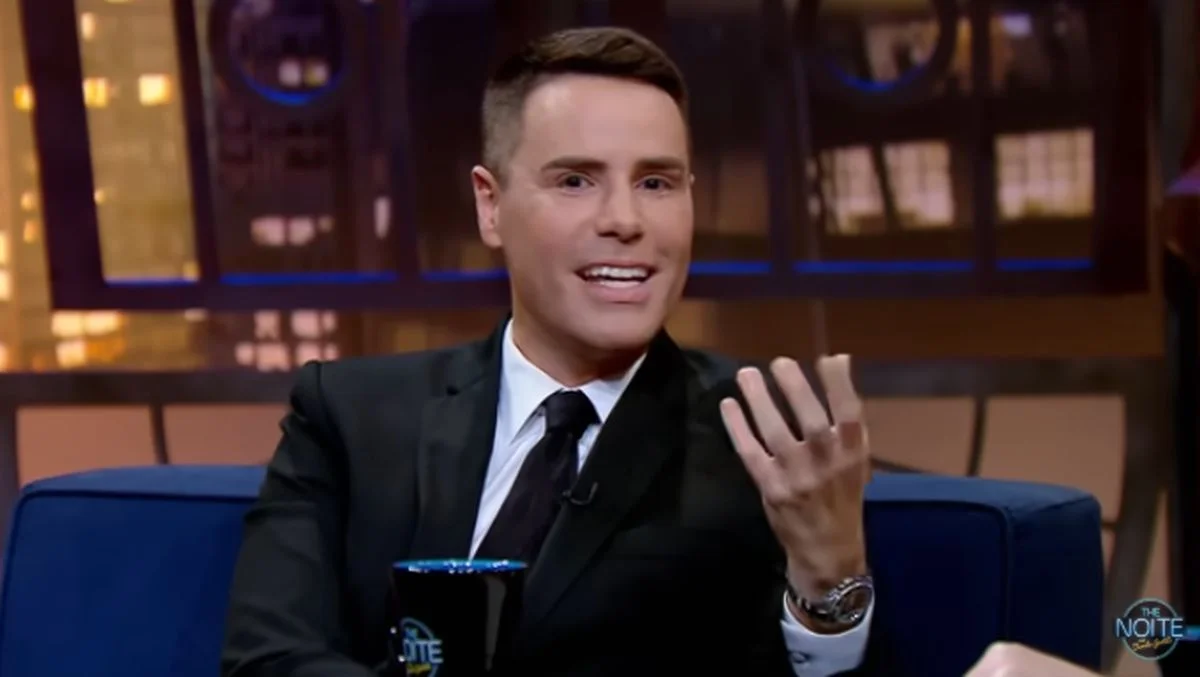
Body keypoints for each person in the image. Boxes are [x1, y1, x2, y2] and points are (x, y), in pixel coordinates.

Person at [223, 24, 1089, 676]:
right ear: (490, 205)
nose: (626, 220)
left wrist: (831, 579)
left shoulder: (762, 441)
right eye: (575, 180)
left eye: (657, 182)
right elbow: (268, 659)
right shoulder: (349, 413)